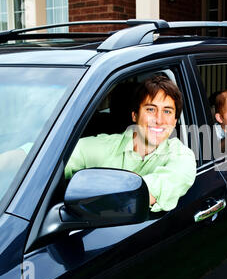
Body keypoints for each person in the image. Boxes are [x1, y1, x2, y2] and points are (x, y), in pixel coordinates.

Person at [65, 75, 196, 212]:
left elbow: (138, 195)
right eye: (151, 109)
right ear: (135, 115)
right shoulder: (101, 146)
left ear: (175, 121)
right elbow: (51, 166)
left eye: (167, 111)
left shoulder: (183, 157)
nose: (159, 119)